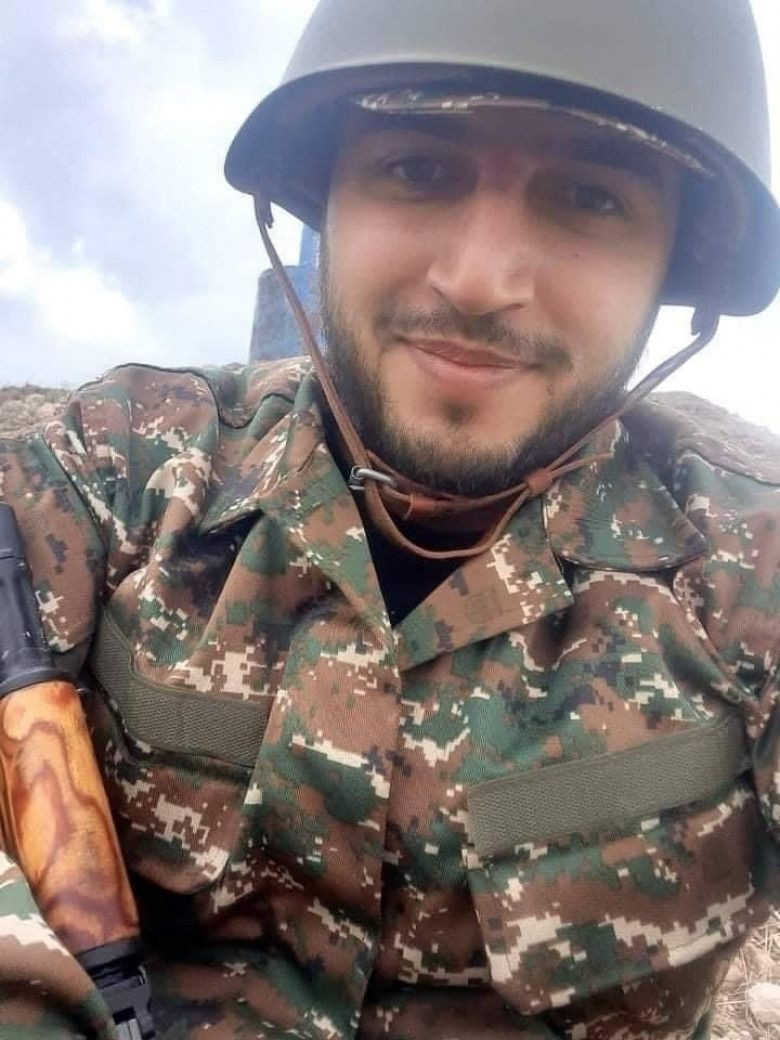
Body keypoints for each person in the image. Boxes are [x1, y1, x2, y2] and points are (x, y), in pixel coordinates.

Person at [0, 0, 778, 1037]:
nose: (478, 281)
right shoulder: (122, 466)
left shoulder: (744, 564)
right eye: (418, 167)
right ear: (322, 193)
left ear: (677, 258)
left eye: (590, 196)